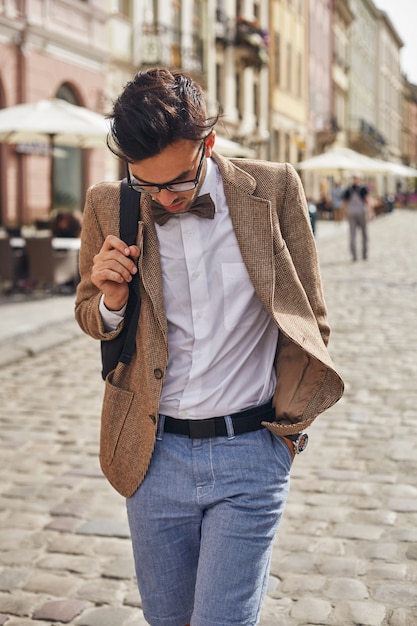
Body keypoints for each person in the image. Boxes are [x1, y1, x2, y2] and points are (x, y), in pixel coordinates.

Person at [75, 68, 344, 626]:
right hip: (153, 456)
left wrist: (286, 435)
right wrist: (110, 301)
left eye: (178, 182)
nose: (166, 200)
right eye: (148, 185)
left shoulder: (272, 189)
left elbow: (308, 315)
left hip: (250, 452)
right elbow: (91, 316)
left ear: (208, 145)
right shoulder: (109, 205)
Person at [342, 174, 370, 261]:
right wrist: (371, 212)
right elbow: (367, 200)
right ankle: (363, 254)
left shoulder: (348, 190)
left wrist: (345, 211)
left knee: (353, 234)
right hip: (361, 212)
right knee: (363, 234)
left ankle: (355, 255)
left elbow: (344, 202)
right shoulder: (363, 189)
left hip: (352, 213)